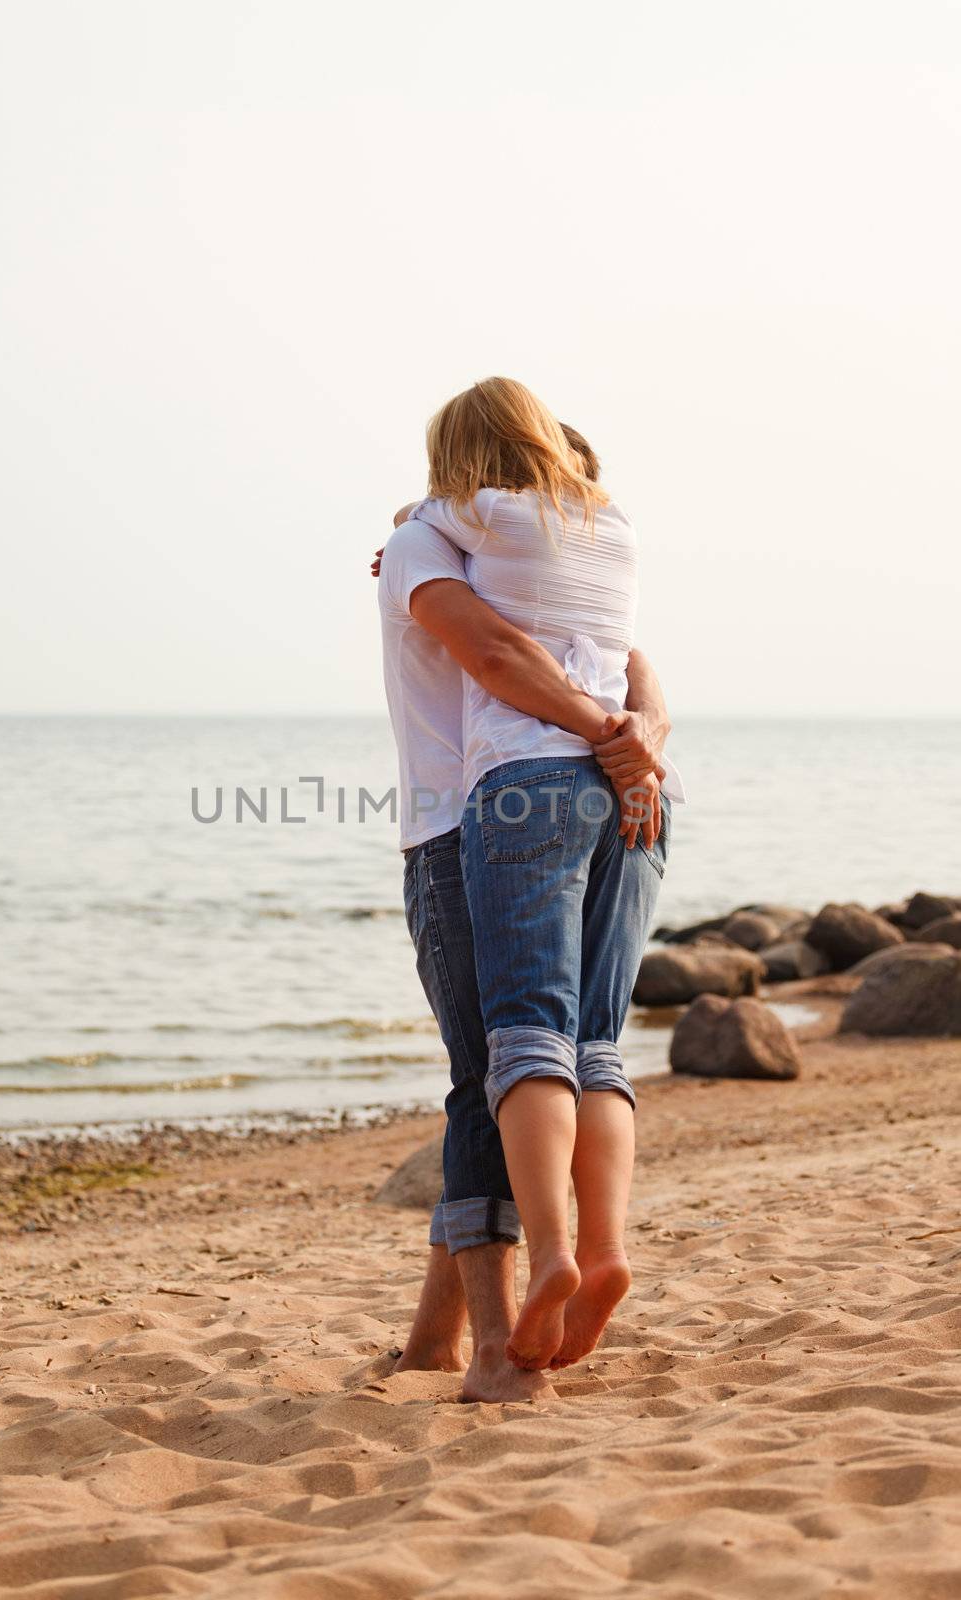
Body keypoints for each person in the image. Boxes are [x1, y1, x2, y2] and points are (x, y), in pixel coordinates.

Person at [376, 412, 673, 1398]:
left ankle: (498, 1347)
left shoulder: (463, 546)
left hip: (476, 822)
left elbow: (536, 660)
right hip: (549, 808)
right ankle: (435, 1338)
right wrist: (636, 745)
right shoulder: (463, 548)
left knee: (496, 1072)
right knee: (537, 1062)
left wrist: (626, 733)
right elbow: (630, 683)